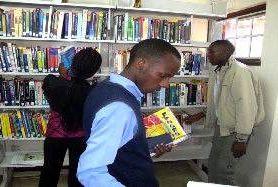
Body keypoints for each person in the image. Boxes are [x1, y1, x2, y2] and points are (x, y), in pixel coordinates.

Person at [77, 38, 181, 187]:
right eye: (163, 75)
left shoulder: (107, 86)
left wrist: (146, 148)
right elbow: (90, 172)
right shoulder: (119, 108)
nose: (166, 84)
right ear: (141, 64)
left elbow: (120, 145)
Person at [39, 48, 102, 187]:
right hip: (80, 137)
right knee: (77, 173)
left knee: (49, 172)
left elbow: (61, 89)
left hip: (55, 134)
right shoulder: (93, 91)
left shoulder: (52, 82)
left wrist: (63, 76)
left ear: (73, 63)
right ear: (93, 72)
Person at [204, 40, 260, 186]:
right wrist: (202, 115)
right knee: (214, 166)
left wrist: (241, 139)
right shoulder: (219, 70)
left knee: (225, 172)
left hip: (234, 133)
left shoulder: (240, 72)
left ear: (225, 52)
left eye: (211, 51)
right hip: (221, 127)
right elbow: (221, 103)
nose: (208, 54)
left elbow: (246, 107)